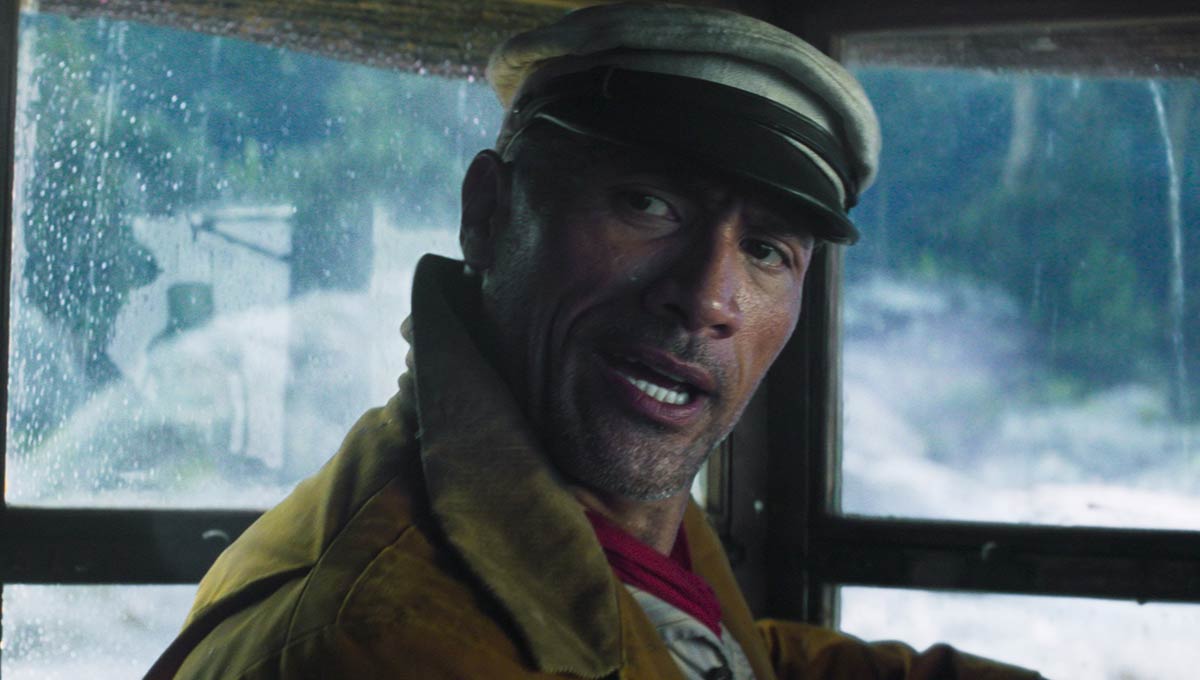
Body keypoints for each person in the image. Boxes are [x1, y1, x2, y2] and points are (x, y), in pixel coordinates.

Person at [147, 4, 1042, 679]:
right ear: (488, 214)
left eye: (768, 250)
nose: (707, 299)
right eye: (650, 204)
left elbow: (699, 650)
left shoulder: (591, 508)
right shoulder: (388, 643)